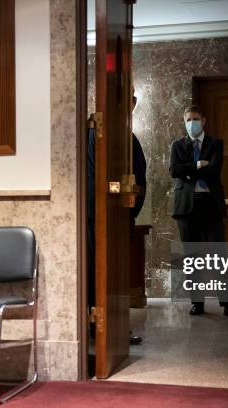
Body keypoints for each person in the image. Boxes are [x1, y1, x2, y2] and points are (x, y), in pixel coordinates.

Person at [169, 105, 228, 318]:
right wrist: (198, 164)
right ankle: (197, 303)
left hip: (211, 205)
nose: (192, 123)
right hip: (186, 207)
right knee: (192, 257)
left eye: (195, 119)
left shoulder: (215, 144)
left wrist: (190, 170)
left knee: (219, 257)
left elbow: (214, 170)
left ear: (204, 120)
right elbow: (174, 170)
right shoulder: (178, 146)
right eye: (188, 119)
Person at [88, 90, 146, 345]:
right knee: (100, 275)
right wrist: (125, 210)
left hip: (116, 217)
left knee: (111, 277)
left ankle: (108, 329)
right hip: (101, 218)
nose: (129, 103)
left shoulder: (126, 137)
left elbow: (137, 181)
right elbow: (107, 181)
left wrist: (130, 212)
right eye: (126, 97)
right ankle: (103, 331)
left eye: (132, 99)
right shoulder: (97, 132)